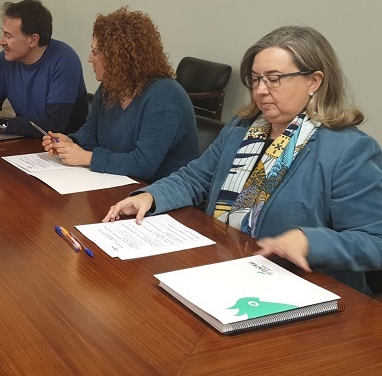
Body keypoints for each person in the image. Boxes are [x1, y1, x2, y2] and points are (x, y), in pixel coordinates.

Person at [103, 26, 382, 293]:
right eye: (256, 79)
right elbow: (195, 178)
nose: (260, 90)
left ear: (314, 81)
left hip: (305, 289)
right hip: (228, 268)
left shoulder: (348, 149)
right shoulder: (242, 128)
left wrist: (309, 241)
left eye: (274, 79)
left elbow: (375, 240)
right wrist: (150, 197)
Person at [41, 7, 197, 183]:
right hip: (118, 183)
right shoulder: (110, 87)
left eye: (95, 52)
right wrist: (71, 143)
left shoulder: (165, 96)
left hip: (162, 191)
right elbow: (91, 131)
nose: (89, 58)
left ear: (119, 58)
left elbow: (143, 165)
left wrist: (87, 158)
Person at [0, 0, 88, 138]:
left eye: (8, 35)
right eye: (3, 33)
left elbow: (54, 124)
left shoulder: (65, 61)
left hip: (63, 145)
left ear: (33, 40)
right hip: (25, 140)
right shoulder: (5, 59)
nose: (1, 41)